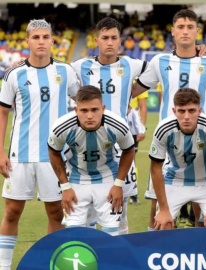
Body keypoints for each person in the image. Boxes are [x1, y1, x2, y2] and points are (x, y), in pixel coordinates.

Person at [131, 9, 206, 231]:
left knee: (205, 217)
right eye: (180, 27)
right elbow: (131, 91)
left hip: (204, 142)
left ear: (198, 32)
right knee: (158, 215)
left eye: (190, 27)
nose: (185, 31)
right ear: (172, 31)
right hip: (167, 142)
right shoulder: (160, 61)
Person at [0, 19, 80, 270]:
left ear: (53, 41)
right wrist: (0, 151)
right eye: (36, 37)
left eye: (46, 37)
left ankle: (49, 265)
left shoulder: (66, 71)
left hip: (54, 157)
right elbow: (2, 113)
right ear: (28, 42)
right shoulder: (14, 73)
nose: (41, 41)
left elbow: (83, 102)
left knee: (56, 213)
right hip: (19, 155)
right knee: (12, 211)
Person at [71, 17, 147, 234]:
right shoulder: (80, 66)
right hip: (88, 145)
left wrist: (130, 94)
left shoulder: (132, 65)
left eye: (114, 38)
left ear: (120, 41)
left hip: (121, 146)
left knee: (119, 207)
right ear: (96, 40)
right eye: (105, 38)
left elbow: (160, 70)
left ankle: (119, 254)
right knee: (88, 209)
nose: (110, 42)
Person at [48, 85, 135, 236]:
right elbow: (53, 152)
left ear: (103, 108)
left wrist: (119, 184)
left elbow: (128, 150)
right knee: (75, 234)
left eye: (94, 110)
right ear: (76, 110)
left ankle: (111, 260)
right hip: (76, 180)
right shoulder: (62, 127)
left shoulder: (117, 125)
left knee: (113, 234)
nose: (89, 116)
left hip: (108, 178)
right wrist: (65, 187)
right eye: (84, 110)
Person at [149, 88, 206, 230]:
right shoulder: (163, 129)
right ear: (174, 111)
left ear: (199, 110)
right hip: (175, 179)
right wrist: (164, 209)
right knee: (162, 225)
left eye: (191, 111)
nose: (186, 117)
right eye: (181, 111)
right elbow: (155, 168)